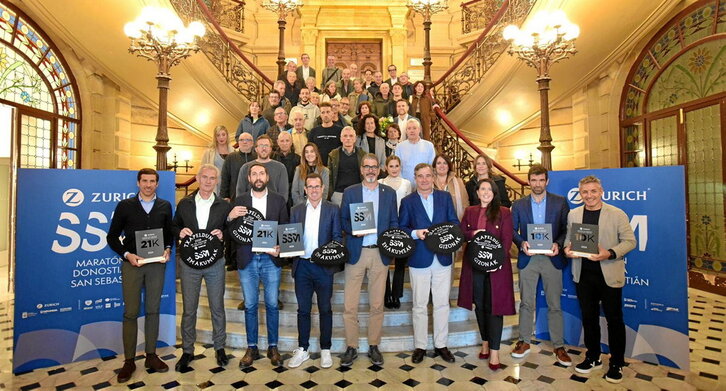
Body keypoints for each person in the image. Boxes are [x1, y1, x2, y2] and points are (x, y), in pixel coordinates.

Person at [564, 175, 636, 384]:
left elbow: (630, 241)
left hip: (608, 274)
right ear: (580, 194)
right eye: (585, 192)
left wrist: (610, 253)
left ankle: (617, 363)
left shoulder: (616, 213)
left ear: (601, 192)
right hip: (583, 275)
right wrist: (568, 250)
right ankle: (593, 357)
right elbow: (569, 240)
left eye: (593, 191)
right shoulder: (574, 214)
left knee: (614, 319)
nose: (589, 196)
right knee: (589, 318)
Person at [106, 168, 173, 383]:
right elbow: (112, 237)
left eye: (152, 181)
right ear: (138, 183)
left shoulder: (165, 206)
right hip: (132, 265)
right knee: (131, 312)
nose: (148, 185)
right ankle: (129, 361)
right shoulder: (125, 206)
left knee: (153, 310)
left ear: (157, 184)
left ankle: (151, 355)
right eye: (144, 181)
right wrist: (127, 254)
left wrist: (168, 249)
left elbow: (169, 235)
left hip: (156, 266)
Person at [339, 154, 399, 367]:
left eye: (374, 167)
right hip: (356, 252)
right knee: (350, 305)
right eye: (367, 167)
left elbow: (394, 222)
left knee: (376, 304)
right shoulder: (350, 192)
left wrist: (390, 244)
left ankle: (374, 344)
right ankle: (351, 346)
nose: (371, 170)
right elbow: (343, 220)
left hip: (379, 253)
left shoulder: (389, 193)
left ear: (379, 169)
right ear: (362, 169)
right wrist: (353, 231)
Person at [172, 164, 232, 372]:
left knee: (217, 308)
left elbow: (230, 229)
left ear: (217, 181)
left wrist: (224, 234)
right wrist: (179, 232)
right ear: (198, 178)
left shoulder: (223, 205)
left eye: (212, 178)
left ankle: (220, 347)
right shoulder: (185, 203)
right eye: (204, 177)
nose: (208, 181)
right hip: (190, 265)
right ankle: (187, 350)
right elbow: (174, 225)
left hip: (215, 263)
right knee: (189, 310)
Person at [229, 163, 290, 368]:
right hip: (247, 259)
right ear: (248, 178)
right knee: (250, 305)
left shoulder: (278, 200)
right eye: (254, 174)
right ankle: (252, 347)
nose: (257, 177)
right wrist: (230, 217)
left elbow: (284, 229)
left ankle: (273, 346)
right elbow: (232, 231)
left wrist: (280, 248)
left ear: (267, 177)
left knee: (272, 304)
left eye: (261, 173)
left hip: (270, 260)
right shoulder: (240, 201)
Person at [510, 164, 571, 366]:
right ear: (528, 181)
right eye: (533, 180)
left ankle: (558, 345)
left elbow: (566, 229)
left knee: (554, 304)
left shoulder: (559, 202)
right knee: (526, 302)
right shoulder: (518, 204)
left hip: (551, 258)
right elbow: (512, 231)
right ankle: (524, 341)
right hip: (528, 258)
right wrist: (521, 243)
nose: (537, 184)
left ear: (547, 181)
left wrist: (558, 244)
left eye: (541, 180)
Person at [399, 163, 460, 364]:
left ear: (433, 176)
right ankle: (420, 346)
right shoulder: (408, 201)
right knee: (419, 305)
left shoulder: (445, 198)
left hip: (442, 258)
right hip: (419, 259)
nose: (424, 180)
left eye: (427, 175)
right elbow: (402, 228)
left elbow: (454, 223)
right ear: (415, 178)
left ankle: (441, 344)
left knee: (442, 303)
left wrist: (445, 236)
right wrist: (416, 233)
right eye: (420, 176)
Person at [458, 178, 515, 370]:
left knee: (495, 308)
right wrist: (472, 233)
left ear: (495, 192)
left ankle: (495, 352)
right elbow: (461, 233)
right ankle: (484, 342)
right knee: (480, 305)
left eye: (489, 189)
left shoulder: (504, 212)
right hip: (475, 266)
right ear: (477, 191)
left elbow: (507, 239)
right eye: (482, 188)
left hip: (496, 268)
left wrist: (497, 262)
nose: (485, 192)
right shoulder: (470, 211)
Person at [287, 173, 342, 369]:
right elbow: (290, 237)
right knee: (303, 310)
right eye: (310, 187)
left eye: (317, 186)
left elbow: (337, 237)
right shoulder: (296, 210)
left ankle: (325, 349)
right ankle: (303, 349)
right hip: (302, 266)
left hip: (323, 267)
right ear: (305, 189)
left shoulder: (333, 209)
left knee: (325, 309)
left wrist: (329, 254)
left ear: (323, 188)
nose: (314, 190)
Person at [220, 132, 258, 270]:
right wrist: (224, 196)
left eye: (248, 140)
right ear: (238, 142)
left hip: (254, 201)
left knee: (248, 229)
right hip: (234, 199)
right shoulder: (231, 157)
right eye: (242, 140)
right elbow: (225, 178)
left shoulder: (256, 157)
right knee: (234, 230)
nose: (245, 142)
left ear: (253, 143)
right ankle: (231, 259)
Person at [379, 155, 412, 309]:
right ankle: (386, 294)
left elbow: (409, 207)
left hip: (402, 225)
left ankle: (396, 295)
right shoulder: (380, 183)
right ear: (386, 167)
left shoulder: (406, 183)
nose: (394, 169)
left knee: (400, 263)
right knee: (384, 261)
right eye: (391, 166)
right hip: (385, 226)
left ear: (400, 167)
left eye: (396, 166)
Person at [236, 135, 289, 202]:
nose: (264, 148)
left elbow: (283, 194)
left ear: (270, 149)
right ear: (256, 149)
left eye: (266, 145)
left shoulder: (281, 168)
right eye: (261, 145)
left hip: (274, 208)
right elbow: (240, 193)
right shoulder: (245, 168)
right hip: (251, 208)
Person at [327, 126, 365, 206]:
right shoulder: (333, 155)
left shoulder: (363, 154)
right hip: (338, 195)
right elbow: (329, 176)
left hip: (357, 194)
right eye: (345, 136)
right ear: (340, 138)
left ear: (355, 139)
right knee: (339, 218)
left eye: (351, 136)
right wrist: (331, 193)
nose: (348, 138)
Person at [396, 119, 436, 188]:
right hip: (405, 185)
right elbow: (397, 166)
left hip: (424, 183)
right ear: (406, 131)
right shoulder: (400, 146)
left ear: (419, 129)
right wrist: (403, 184)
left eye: (414, 128)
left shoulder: (429, 145)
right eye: (409, 128)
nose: (412, 131)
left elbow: (432, 166)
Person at [433, 154, 469, 220]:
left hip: (454, 221)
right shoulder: (428, 181)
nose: (442, 166)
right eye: (439, 163)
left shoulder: (458, 181)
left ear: (449, 166)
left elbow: (465, 203)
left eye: (445, 163)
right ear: (434, 166)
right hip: (434, 222)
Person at [201, 125, 234, 195]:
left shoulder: (234, 151)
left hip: (229, 187)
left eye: (223, 134)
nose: (221, 137)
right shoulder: (208, 153)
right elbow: (202, 171)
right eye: (218, 135)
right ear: (215, 137)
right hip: (214, 186)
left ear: (227, 136)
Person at [308, 102, 343, 166]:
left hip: (336, 166)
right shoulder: (313, 132)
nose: (325, 115)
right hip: (319, 166)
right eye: (323, 112)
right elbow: (310, 151)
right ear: (320, 115)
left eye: (328, 112)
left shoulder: (340, 131)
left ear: (332, 113)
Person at [273, 132, 300, 205]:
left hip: (292, 193)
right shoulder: (272, 157)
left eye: (287, 141)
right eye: (282, 141)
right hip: (275, 192)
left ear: (291, 142)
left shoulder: (298, 159)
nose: (284, 143)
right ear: (278, 142)